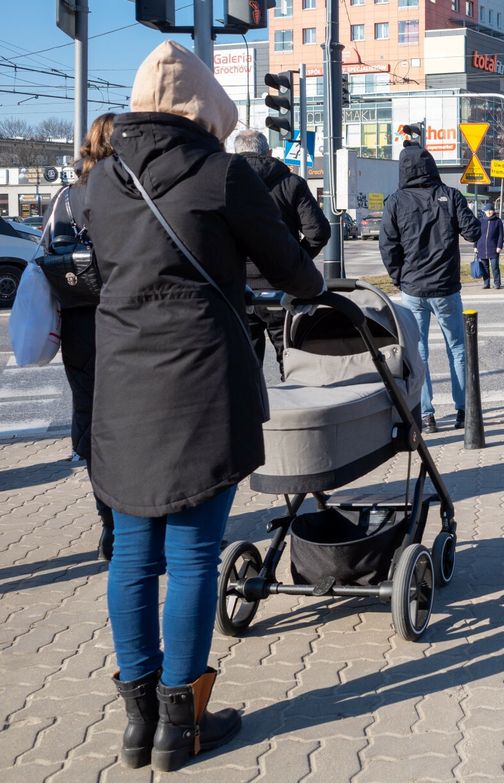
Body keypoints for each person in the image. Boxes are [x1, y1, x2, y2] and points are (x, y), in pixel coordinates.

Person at [84, 41, 325, 770]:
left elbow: (105, 272)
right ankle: (180, 725)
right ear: (202, 108)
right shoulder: (223, 175)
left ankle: (136, 723)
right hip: (201, 385)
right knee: (191, 554)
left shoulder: (102, 181)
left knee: (131, 552)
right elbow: (300, 275)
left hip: (122, 386)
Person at [42, 113, 116, 560]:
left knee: (89, 415)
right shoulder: (126, 192)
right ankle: (134, 518)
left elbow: (49, 250)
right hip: (122, 317)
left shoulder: (64, 197)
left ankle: (107, 520)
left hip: (77, 322)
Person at [380, 142, 480, 433]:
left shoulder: (396, 201)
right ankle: (464, 411)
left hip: (412, 288)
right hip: (446, 287)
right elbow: (474, 231)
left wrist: (399, 277)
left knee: (418, 351)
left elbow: (388, 246)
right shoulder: (449, 196)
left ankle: (426, 415)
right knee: (458, 348)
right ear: (432, 167)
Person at [232, 129, 329, 378]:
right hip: (283, 287)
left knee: (245, 367)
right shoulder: (291, 183)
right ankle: (297, 410)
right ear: (269, 153)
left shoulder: (225, 184)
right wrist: (295, 261)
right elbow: (318, 232)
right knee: (293, 360)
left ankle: (254, 416)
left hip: (239, 288)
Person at [475, 204, 504, 289]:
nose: (489, 212)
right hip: (481, 247)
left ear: (493, 211)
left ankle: (497, 283)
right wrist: (475, 246)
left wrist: (499, 246)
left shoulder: (498, 221)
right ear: (484, 211)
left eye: (490, 210)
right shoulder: (480, 221)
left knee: (494, 266)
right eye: (487, 210)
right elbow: (476, 234)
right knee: (484, 267)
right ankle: (486, 283)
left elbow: (501, 235)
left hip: (494, 248)